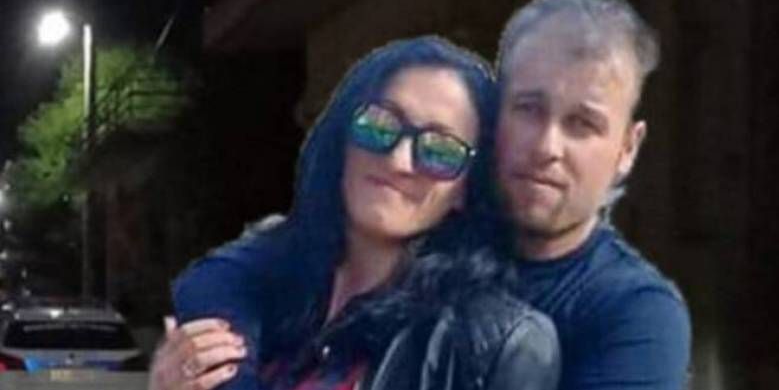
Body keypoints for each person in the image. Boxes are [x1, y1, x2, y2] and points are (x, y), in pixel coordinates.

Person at [149, 36, 560, 390]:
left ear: (466, 188)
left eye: (440, 150)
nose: (399, 160)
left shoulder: (499, 346)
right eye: (381, 125)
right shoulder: (262, 280)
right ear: (343, 138)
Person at [490, 0, 691, 390]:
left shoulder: (636, 312)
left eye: (582, 123)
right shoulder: (423, 244)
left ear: (627, 148)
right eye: (529, 109)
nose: (546, 147)